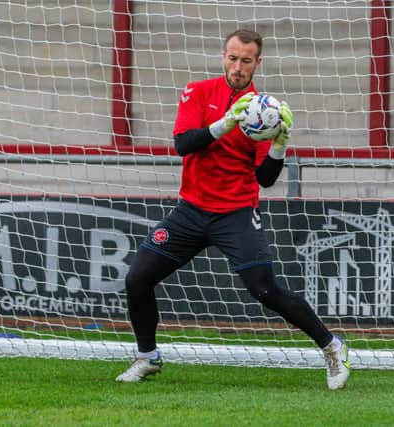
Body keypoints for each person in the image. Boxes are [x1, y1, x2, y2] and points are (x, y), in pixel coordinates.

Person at [115, 29, 350, 390]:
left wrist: (279, 145)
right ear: (223, 56)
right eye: (232, 57)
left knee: (265, 290)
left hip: (236, 213)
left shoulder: (265, 111)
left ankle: (332, 346)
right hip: (191, 211)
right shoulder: (199, 91)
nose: (237, 67)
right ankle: (148, 356)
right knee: (138, 278)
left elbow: (265, 178)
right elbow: (182, 144)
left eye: (245, 60)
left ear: (258, 62)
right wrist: (224, 124)